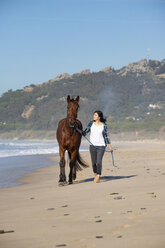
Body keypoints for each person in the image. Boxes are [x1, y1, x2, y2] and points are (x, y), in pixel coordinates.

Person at [82, 110, 113, 183]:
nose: (94, 116)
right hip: (92, 146)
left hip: (101, 146)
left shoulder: (104, 125)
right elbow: (86, 132)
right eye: (94, 115)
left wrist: (110, 146)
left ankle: (98, 175)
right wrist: (80, 131)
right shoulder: (91, 124)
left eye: (95, 115)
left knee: (99, 161)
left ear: (99, 117)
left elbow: (106, 137)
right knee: (93, 163)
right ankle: (95, 174)